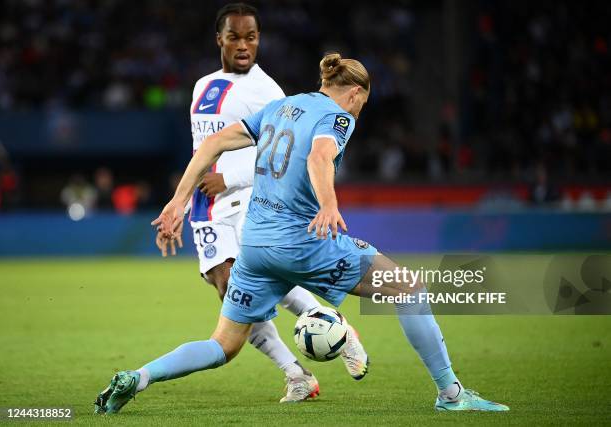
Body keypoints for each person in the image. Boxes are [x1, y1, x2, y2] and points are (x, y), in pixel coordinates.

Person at [95, 52, 509, 413]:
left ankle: (138, 377)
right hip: (302, 241)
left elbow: (212, 144)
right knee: (410, 289)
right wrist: (328, 203)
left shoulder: (282, 106)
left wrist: (177, 201)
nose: (358, 112)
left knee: (223, 345)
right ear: (353, 94)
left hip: (255, 246)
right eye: (361, 104)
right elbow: (320, 155)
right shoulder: (339, 115)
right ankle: (451, 395)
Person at [97, 3, 367, 410]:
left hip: (250, 202)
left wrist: (232, 178)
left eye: (252, 37)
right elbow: (203, 147)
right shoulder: (203, 85)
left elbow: (285, 154)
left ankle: (331, 330)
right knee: (231, 291)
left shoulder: (269, 90)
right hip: (208, 210)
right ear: (219, 39)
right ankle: (298, 372)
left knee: (246, 282)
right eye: (236, 36)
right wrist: (181, 203)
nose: (244, 45)